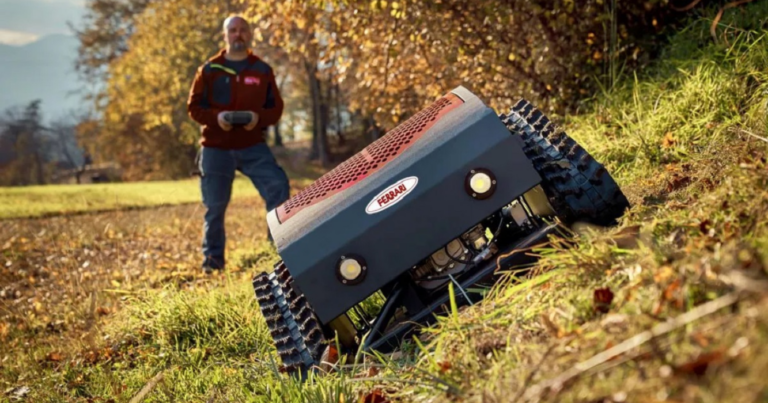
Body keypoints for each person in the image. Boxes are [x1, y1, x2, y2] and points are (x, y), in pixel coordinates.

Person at [187, 15, 290, 274]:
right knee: (215, 207)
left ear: (250, 33)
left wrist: (258, 118)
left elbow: (275, 109)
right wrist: (216, 118)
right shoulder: (209, 70)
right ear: (225, 35)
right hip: (215, 147)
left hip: (252, 146)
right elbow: (193, 107)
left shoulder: (262, 69)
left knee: (278, 186)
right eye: (233, 30)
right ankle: (212, 265)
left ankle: (277, 254)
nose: (238, 34)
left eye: (243, 29)